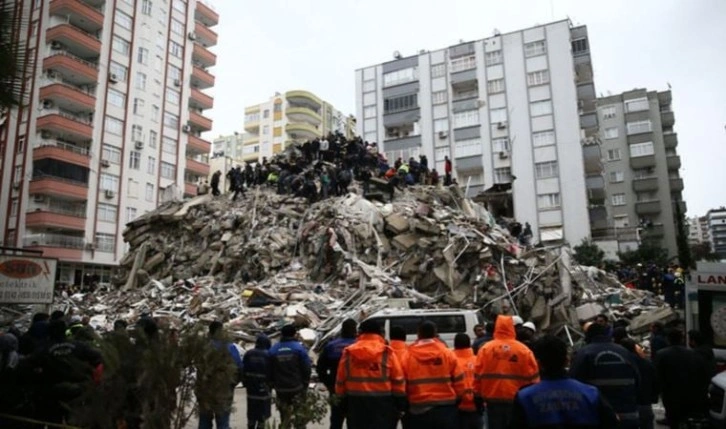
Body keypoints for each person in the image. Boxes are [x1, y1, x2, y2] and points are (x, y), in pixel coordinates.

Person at [510, 335, 619, 429]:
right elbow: (612, 423)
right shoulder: (591, 394)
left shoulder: (525, 397)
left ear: (538, 363)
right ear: (567, 360)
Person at [335, 319, 406, 429]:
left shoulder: (349, 353)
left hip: (355, 403)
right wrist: (400, 405)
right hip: (383, 404)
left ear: (361, 332)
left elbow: (340, 380)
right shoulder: (387, 353)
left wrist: (342, 404)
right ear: (379, 333)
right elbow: (398, 381)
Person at [569, 323, 640, 429]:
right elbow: (638, 380)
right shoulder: (624, 352)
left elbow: (575, 385)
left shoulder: (584, 353)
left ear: (588, 336)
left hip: (598, 418)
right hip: (627, 415)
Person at [474, 315, 539, 429]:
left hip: (492, 399)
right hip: (517, 400)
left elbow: (477, 374)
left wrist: (477, 395)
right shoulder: (523, 350)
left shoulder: (486, 349)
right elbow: (533, 376)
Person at [403, 321, 465, 429]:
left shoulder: (408, 356)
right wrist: (458, 399)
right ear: (435, 333)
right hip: (446, 408)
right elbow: (459, 380)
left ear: (418, 334)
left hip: (418, 408)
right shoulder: (447, 354)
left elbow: (402, 382)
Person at [655, 328, 711, 427]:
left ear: (668, 339)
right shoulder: (692, 353)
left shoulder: (661, 354)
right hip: (689, 393)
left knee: (673, 421)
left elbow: (658, 375)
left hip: (670, 395)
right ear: (681, 339)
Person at [198, 321, 244, 429]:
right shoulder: (230, 347)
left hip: (205, 390)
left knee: (204, 421)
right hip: (223, 390)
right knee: (223, 422)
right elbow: (239, 368)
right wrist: (232, 383)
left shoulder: (203, 347)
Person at [317, 319, 357, 429]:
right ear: (355, 330)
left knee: (336, 419)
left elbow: (320, 368)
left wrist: (328, 383)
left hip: (335, 387)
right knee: (354, 420)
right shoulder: (359, 346)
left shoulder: (331, 346)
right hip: (355, 389)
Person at [269, 324, 311, 429]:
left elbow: (269, 369)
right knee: (300, 416)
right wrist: (305, 384)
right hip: (297, 387)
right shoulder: (299, 348)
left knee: (284, 417)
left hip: (281, 389)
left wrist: (273, 384)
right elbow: (306, 368)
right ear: (294, 334)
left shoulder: (273, 350)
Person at [619, 338, 658, 429]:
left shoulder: (620, 362)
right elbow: (656, 382)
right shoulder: (646, 363)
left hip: (626, 405)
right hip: (645, 403)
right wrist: (652, 397)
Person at [453, 333, 482, 429]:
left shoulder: (451, 361)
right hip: (476, 405)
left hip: (457, 405)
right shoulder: (478, 360)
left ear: (455, 344)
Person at [243, 334, 272, 429]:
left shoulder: (249, 354)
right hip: (264, 389)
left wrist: (245, 383)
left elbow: (243, 370)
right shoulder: (269, 355)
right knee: (263, 412)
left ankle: (250, 425)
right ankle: (260, 426)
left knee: (251, 410)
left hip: (251, 388)